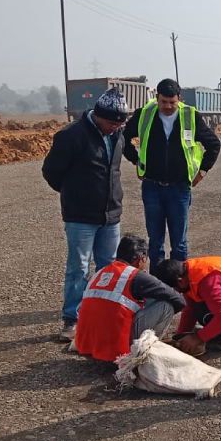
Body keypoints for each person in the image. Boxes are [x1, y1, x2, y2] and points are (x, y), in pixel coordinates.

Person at [42, 88, 129, 342]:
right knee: (78, 268)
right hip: (80, 216)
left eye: (120, 124)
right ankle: (73, 319)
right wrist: (74, 193)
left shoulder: (117, 135)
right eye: (112, 123)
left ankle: (103, 316)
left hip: (110, 215)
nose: (115, 128)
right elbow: (51, 172)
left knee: (108, 268)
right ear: (98, 115)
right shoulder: (72, 136)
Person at [123, 79, 220, 273]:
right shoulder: (144, 114)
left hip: (180, 189)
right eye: (164, 102)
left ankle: (179, 285)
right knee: (155, 242)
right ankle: (156, 284)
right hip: (152, 187)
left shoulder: (190, 116)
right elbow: (124, 139)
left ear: (179, 99)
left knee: (179, 243)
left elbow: (214, 144)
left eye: (172, 103)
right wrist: (136, 161)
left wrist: (202, 172)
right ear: (156, 98)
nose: (168, 107)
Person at [75, 234, 185, 362]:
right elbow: (179, 299)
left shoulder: (99, 273)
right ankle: (145, 352)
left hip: (87, 346)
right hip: (117, 350)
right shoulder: (135, 275)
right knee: (166, 306)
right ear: (141, 259)